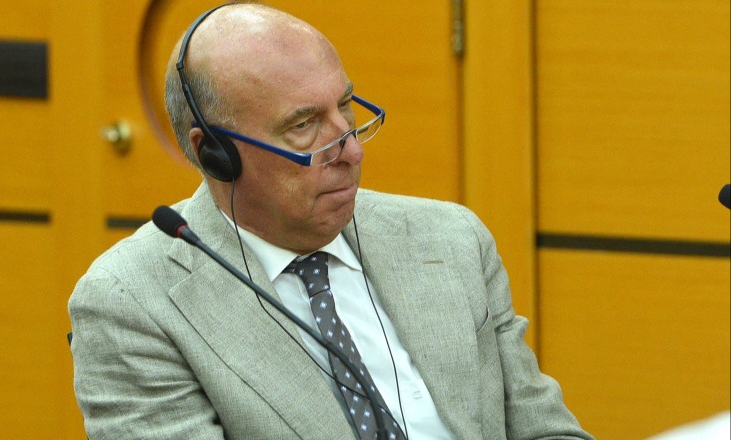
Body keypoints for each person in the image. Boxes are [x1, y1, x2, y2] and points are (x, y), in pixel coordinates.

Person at [68, 3, 593, 439]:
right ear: (216, 155)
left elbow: (546, 429)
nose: (351, 150)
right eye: (304, 125)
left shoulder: (450, 239)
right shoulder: (132, 303)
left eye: (345, 107)